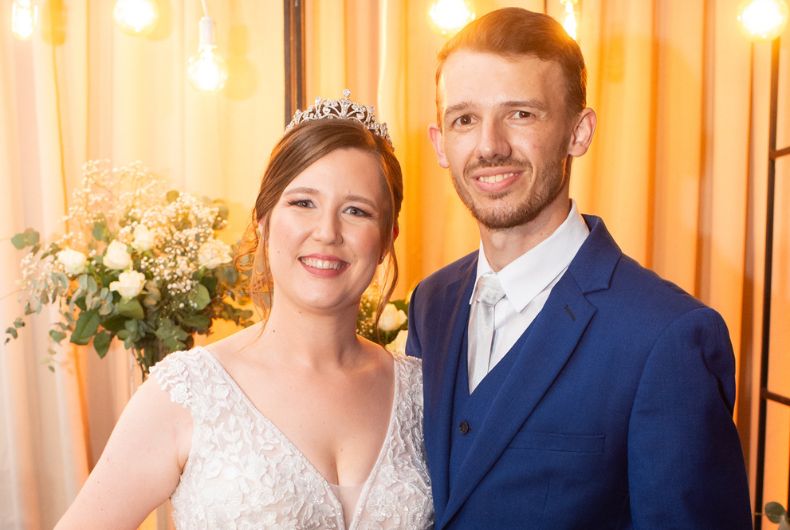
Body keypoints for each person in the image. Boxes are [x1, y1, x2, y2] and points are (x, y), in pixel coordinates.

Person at [406, 8, 752, 529]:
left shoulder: (668, 338)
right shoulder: (431, 303)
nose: (490, 145)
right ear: (440, 144)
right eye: (465, 119)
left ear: (579, 132)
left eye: (521, 114)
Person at [56, 92, 433, 529]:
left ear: (387, 238)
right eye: (303, 203)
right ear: (264, 220)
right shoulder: (187, 392)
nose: (327, 232)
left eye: (356, 211)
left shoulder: (423, 392)